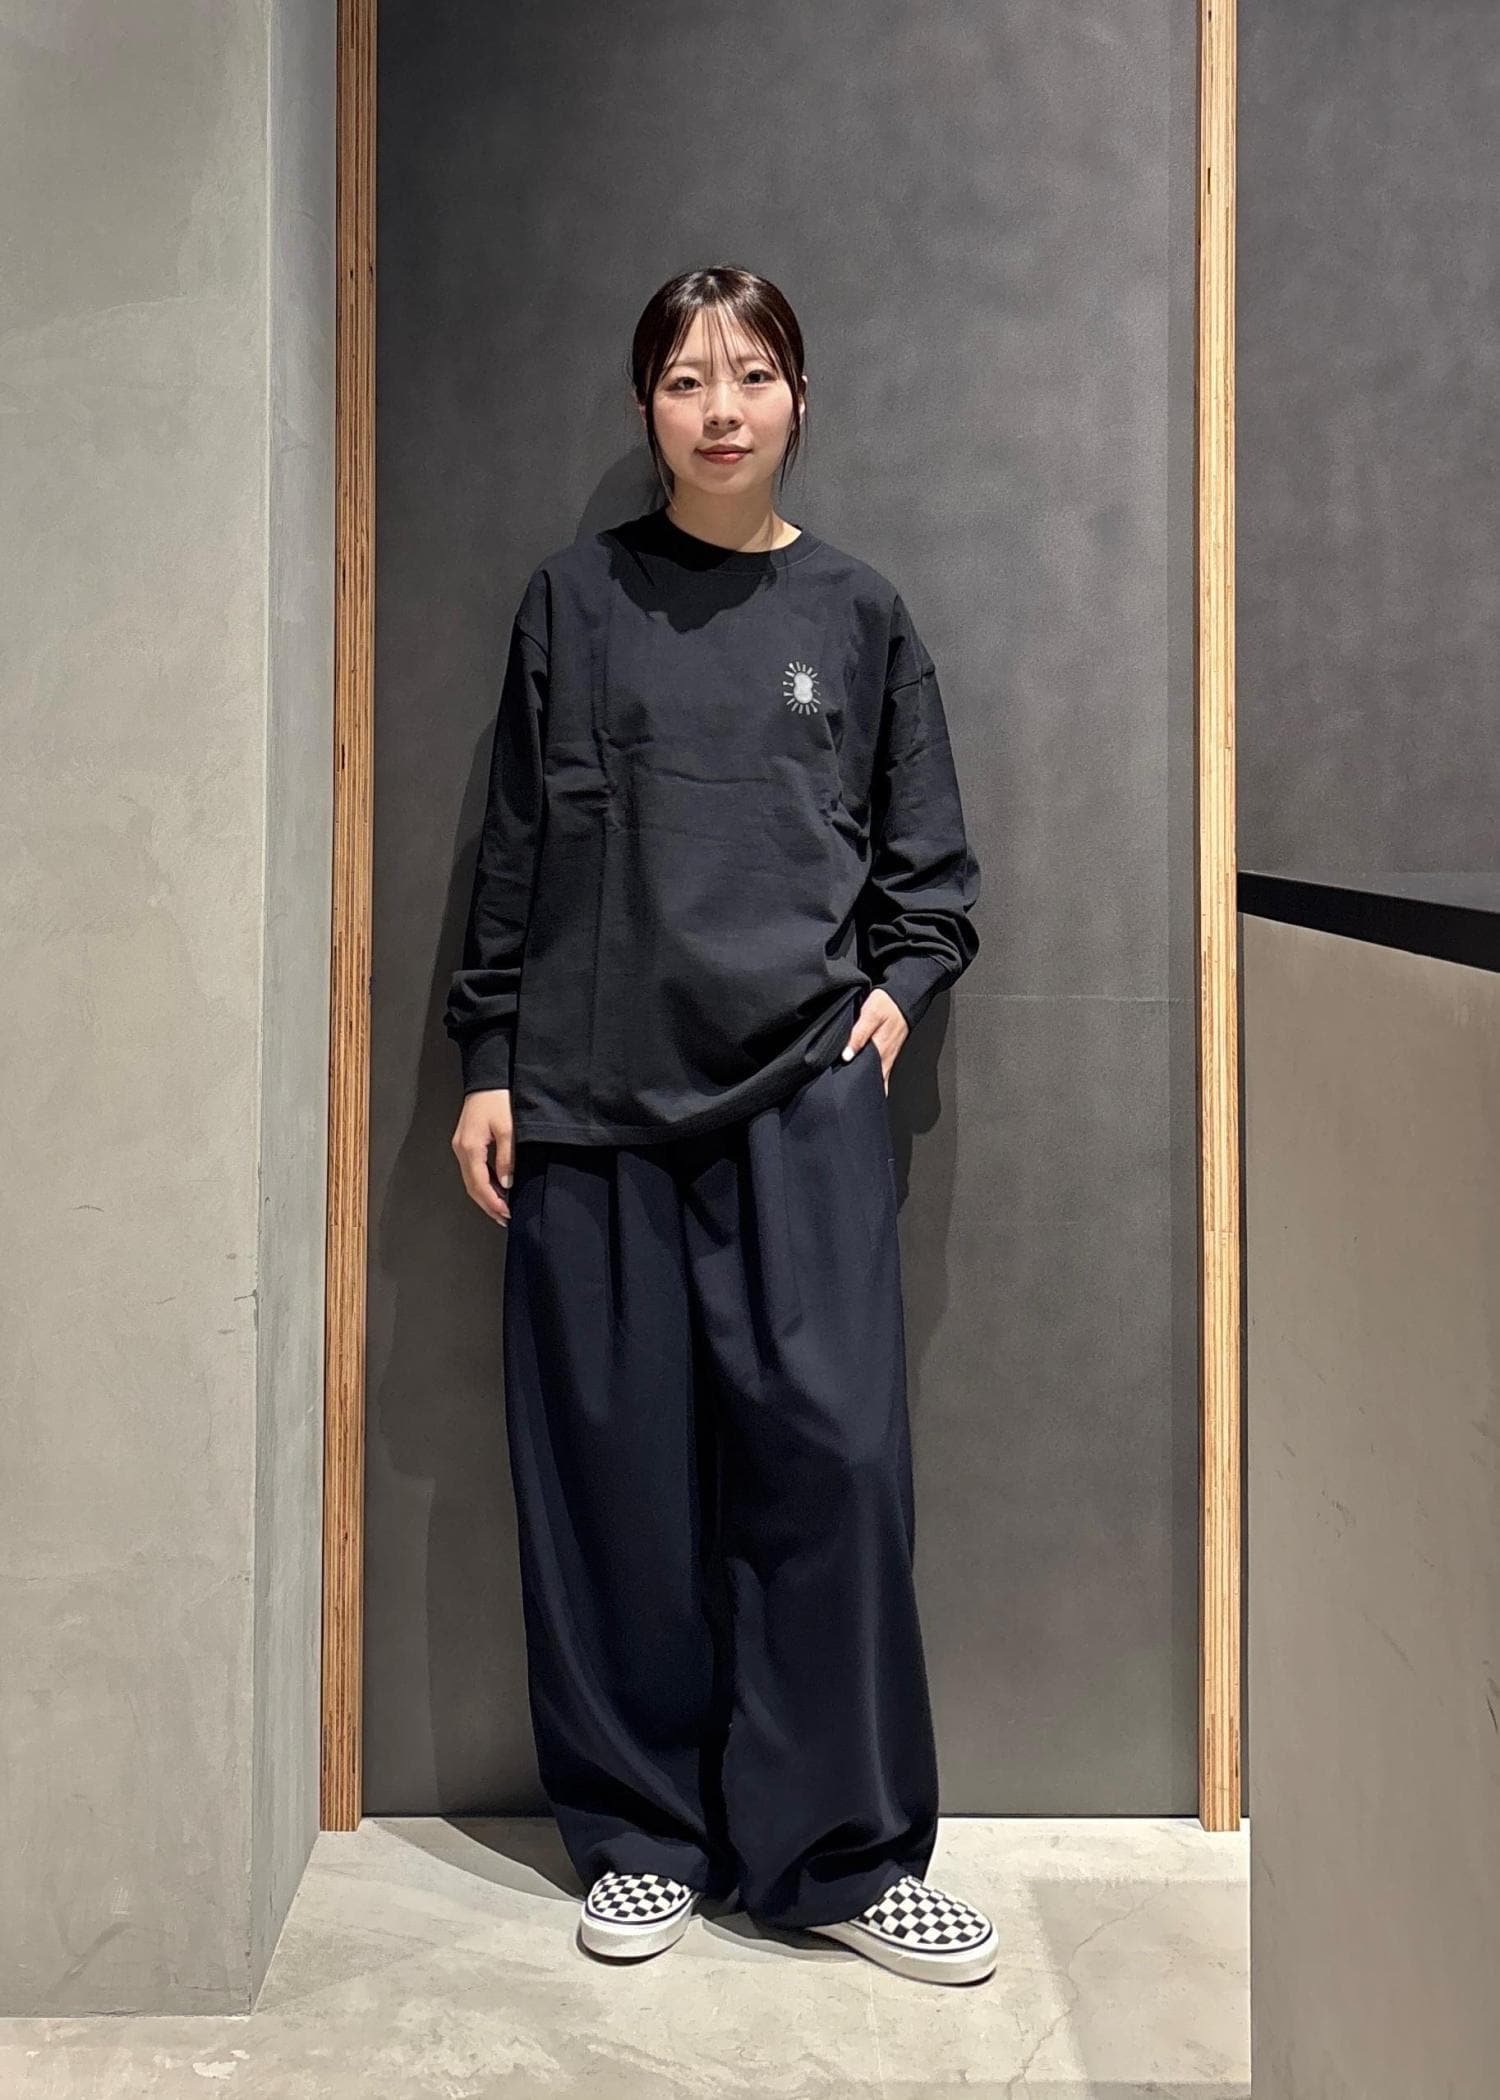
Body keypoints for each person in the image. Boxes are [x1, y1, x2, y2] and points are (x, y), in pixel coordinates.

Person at [445, 266, 992, 1987]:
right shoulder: (575, 603)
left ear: (799, 396)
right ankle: (640, 1840)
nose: (721, 407)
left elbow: (932, 872)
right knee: (615, 1486)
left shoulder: (860, 612)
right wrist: (487, 1055)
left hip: (803, 1104)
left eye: (751, 374)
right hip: (590, 1105)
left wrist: (896, 994)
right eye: (686, 379)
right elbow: (518, 849)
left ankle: (842, 1858)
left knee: (833, 1476)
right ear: (647, 410)